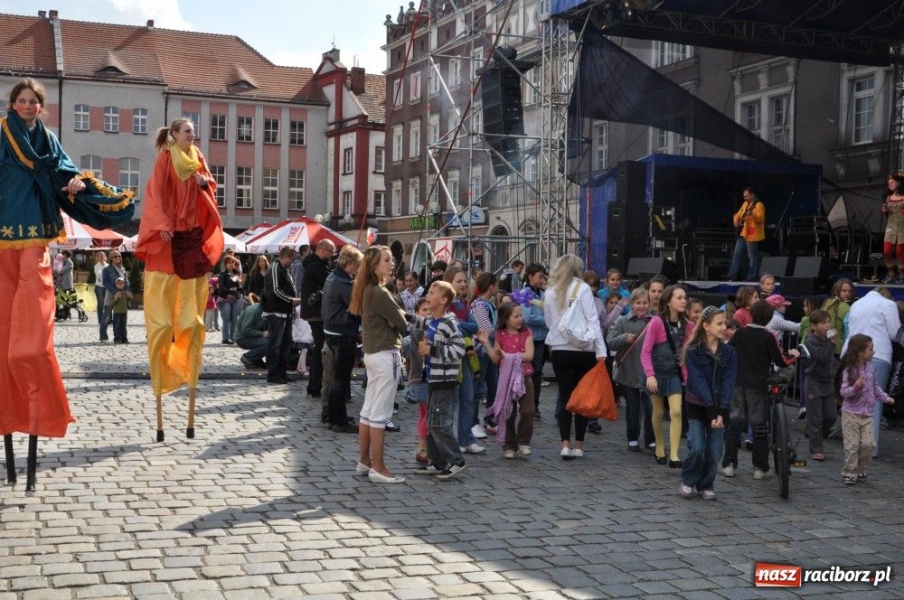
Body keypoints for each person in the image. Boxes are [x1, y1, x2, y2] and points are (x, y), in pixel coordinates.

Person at [0, 78, 134, 488]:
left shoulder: (48, 138)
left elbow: (64, 171)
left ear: (40, 106)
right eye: (20, 101)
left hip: (38, 229)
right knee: (5, 318)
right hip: (4, 229)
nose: (26, 106)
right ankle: (11, 386)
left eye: (32, 101)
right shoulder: (2, 134)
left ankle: (30, 357)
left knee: (34, 317)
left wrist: (75, 183)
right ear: (13, 104)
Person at [135, 116, 223, 441]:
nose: (192, 135)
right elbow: (155, 194)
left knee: (193, 321)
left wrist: (204, 184)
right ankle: (163, 381)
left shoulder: (197, 157)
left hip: (191, 240)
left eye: (193, 132)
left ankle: (188, 375)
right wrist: (160, 224)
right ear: (174, 134)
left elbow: (209, 185)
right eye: (187, 131)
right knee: (161, 324)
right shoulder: (164, 159)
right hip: (168, 241)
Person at [349, 246, 409, 484]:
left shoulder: (366, 289)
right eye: (387, 260)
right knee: (380, 414)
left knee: (369, 411)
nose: (391, 264)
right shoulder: (380, 292)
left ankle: (364, 462)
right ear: (374, 265)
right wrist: (395, 319)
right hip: (385, 354)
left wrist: (393, 319)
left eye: (391, 260)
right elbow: (402, 322)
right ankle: (379, 467)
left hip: (373, 354)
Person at [721, 300, 799, 479]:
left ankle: (729, 464)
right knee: (759, 427)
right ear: (769, 318)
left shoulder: (740, 333)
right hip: (758, 386)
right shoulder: (768, 336)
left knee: (734, 424)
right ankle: (760, 467)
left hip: (738, 383)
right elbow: (781, 361)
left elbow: (727, 353)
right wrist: (794, 355)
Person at [543, 254, 608, 460]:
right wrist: (601, 350)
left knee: (565, 395)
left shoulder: (551, 290)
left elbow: (549, 322)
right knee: (582, 398)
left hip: (560, 348)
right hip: (584, 349)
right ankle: (579, 445)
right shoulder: (584, 289)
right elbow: (593, 320)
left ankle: (564, 444)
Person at [411, 280, 468, 479]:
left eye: (433, 292)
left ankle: (456, 460)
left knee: (440, 422)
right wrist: (396, 314)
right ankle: (437, 462)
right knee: (431, 422)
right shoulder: (432, 321)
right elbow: (417, 320)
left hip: (445, 381)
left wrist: (432, 350)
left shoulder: (449, 323)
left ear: (443, 300)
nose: (428, 294)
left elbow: (459, 349)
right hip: (433, 379)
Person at [680, 306, 736, 500]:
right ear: (705, 326)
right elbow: (697, 381)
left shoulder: (730, 353)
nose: (723, 328)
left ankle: (706, 483)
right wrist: (712, 410)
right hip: (698, 404)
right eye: (719, 324)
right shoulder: (693, 352)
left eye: (725, 324)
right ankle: (689, 479)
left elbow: (729, 382)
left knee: (714, 451)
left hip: (720, 407)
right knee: (696, 446)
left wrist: (722, 411)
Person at [842, 287, 901, 457]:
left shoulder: (856, 304)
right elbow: (894, 332)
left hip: (851, 353)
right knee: (874, 401)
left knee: (852, 399)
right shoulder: (888, 305)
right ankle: (869, 447)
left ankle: (852, 442)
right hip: (878, 353)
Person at [641, 285, 693, 467]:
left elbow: (685, 355)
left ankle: (675, 454)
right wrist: (650, 375)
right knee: (658, 411)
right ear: (669, 301)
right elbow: (645, 352)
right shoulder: (656, 322)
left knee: (677, 411)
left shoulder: (688, 325)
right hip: (656, 373)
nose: (683, 301)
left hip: (674, 374)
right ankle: (660, 446)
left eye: (685, 298)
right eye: (679, 297)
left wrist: (685, 377)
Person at [479, 302, 535, 459]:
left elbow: (529, 355)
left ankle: (524, 440)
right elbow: (495, 358)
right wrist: (485, 343)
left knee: (528, 410)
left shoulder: (527, 333)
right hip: (506, 378)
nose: (520, 319)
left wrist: (509, 356)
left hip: (524, 377)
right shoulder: (500, 335)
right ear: (505, 319)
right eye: (515, 316)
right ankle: (509, 444)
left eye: (520, 316)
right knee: (508, 412)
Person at [836, 334, 895, 484]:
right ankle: (849, 471)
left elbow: (875, 388)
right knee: (852, 445)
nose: (873, 352)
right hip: (851, 413)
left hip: (868, 414)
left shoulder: (871, 369)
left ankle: (862, 468)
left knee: (868, 444)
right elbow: (844, 392)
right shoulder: (849, 370)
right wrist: (856, 387)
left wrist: (885, 398)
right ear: (860, 352)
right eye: (870, 349)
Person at [322, 245, 364, 434]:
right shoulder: (343, 282)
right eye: (357, 264)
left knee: (336, 379)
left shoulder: (333, 277)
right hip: (342, 333)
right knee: (341, 379)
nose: (358, 268)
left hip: (332, 331)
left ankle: (333, 416)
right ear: (349, 263)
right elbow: (355, 308)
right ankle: (339, 420)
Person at [608, 287, 655, 452]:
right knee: (633, 408)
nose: (641, 306)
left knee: (651, 408)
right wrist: (624, 338)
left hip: (649, 372)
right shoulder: (622, 321)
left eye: (645, 302)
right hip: (629, 371)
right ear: (632, 304)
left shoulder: (654, 320)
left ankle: (651, 438)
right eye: (638, 303)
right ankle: (633, 437)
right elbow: (611, 342)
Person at [443, 267, 483, 450]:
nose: (463, 284)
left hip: (465, 357)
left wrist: (460, 325)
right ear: (449, 282)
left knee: (468, 396)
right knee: (452, 401)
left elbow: (474, 326)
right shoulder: (444, 304)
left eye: (464, 281)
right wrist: (460, 326)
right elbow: (448, 327)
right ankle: (450, 441)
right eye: (458, 281)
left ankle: (466, 439)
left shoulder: (461, 305)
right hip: (450, 357)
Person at [299, 239, 336, 398]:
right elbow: (331, 281)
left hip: (314, 312)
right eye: (331, 252)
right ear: (322, 250)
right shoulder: (316, 266)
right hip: (316, 312)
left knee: (319, 347)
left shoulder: (315, 264)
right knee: (321, 348)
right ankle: (314, 386)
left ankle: (314, 385)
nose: (332, 256)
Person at [261, 247, 301, 385]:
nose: (292, 262)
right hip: (276, 312)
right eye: (292, 259)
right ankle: (273, 374)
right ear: (286, 257)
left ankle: (282, 372)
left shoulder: (283, 269)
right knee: (275, 344)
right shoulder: (275, 268)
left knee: (285, 344)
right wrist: (291, 300)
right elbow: (275, 290)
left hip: (285, 311)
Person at [803, 309, 836, 461]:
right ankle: (816, 448)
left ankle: (813, 431)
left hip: (827, 382)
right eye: (823, 323)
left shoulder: (827, 341)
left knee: (831, 415)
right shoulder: (810, 340)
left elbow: (830, 359)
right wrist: (831, 343)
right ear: (814, 326)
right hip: (814, 381)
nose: (827, 325)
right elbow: (822, 356)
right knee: (815, 416)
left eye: (828, 322)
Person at [471, 272, 500, 437]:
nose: (497, 287)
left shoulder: (489, 303)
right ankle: (473, 422)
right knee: (478, 387)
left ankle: (490, 419)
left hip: (490, 351)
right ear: (491, 286)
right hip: (481, 351)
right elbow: (486, 330)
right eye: (496, 284)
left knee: (493, 386)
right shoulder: (479, 305)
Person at [407, 298, 432, 464]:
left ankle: (423, 445)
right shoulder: (420, 331)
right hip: (422, 376)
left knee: (423, 412)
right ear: (417, 313)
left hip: (417, 376)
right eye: (424, 310)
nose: (428, 313)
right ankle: (423, 448)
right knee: (429, 412)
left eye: (430, 310)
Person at [522, 263, 548, 419]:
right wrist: (547, 320)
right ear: (530, 276)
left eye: (543, 277)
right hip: (531, 338)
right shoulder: (526, 293)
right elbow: (528, 317)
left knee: (537, 373)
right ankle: (529, 405)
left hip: (542, 338)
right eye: (539, 276)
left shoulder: (542, 293)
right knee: (533, 373)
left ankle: (534, 405)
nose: (542, 280)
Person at [727, 187, 765, 281]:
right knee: (736, 254)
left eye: (746, 196)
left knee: (752, 256)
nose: (745, 198)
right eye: (744, 196)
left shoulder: (759, 205)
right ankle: (732, 276)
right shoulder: (745, 204)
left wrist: (752, 214)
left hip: (752, 235)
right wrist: (735, 221)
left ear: (752, 195)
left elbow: (760, 219)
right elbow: (738, 214)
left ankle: (751, 277)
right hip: (743, 233)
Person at [101, 251, 130, 342]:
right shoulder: (106, 269)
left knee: (121, 318)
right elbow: (105, 283)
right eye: (115, 256)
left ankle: (121, 337)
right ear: (111, 258)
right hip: (111, 295)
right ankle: (103, 335)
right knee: (106, 316)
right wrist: (115, 291)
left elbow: (127, 281)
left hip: (122, 297)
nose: (118, 258)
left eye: (119, 256)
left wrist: (128, 291)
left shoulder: (123, 269)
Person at [881, 173, 904, 283]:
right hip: (891, 227)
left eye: (892, 182)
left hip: (902, 228)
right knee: (886, 251)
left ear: (899, 183)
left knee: (900, 252)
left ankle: (902, 275)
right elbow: (886, 212)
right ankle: (891, 273)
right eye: (888, 183)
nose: (889, 184)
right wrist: (884, 210)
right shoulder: (888, 197)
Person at [821, 278, 853, 356]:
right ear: (836, 291)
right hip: (839, 347)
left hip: (824, 344)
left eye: (849, 291)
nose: (847, 293)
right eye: (844, 291)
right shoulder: (844, 306)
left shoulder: (827, 302)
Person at [217, 255, 243, 344]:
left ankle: (233, 337)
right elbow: (222, 287)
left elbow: (239, 286)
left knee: (234, 318)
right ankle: (225, 338)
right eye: (229, 262)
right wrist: (230, 291)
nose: (231, 264)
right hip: (224, 299)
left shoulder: (237, 273)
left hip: (235, 298)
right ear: (225, 264)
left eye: (233, 262)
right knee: (226, 318)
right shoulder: (222, 274)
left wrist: (240, 290)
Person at [235, 300, 268, 370]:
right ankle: (248, 358)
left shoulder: (267, 311)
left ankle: (256, 359)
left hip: (254, 336)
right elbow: (245, 330)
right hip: (242, 338)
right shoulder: (253, 311)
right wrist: (262, 334)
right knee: (267, 344)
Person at [110, 277, 132, 344]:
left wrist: (130, 296)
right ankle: (117, 339)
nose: (120, 284)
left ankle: (124, 338)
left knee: (123, 326)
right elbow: (111, 303)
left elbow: (128, 300)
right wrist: (116, 298)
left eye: (121, 283)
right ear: (116, 284)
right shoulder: (114, 292)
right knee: (117, 326)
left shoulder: (125, 292)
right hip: (117, 312)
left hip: (124, 312)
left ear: (124, 284)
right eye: (118, 283)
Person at [93, 251, 108, 325]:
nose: (101, 257)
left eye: (102, 256)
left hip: (107, 287)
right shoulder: (96, 266)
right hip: (99, 287)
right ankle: (100, 320)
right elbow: (98, 276)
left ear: (105, 257)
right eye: (100, 256)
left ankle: (106, 319)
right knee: (100, 304)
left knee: (107, 304)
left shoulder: (108, 265)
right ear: (97, 258)